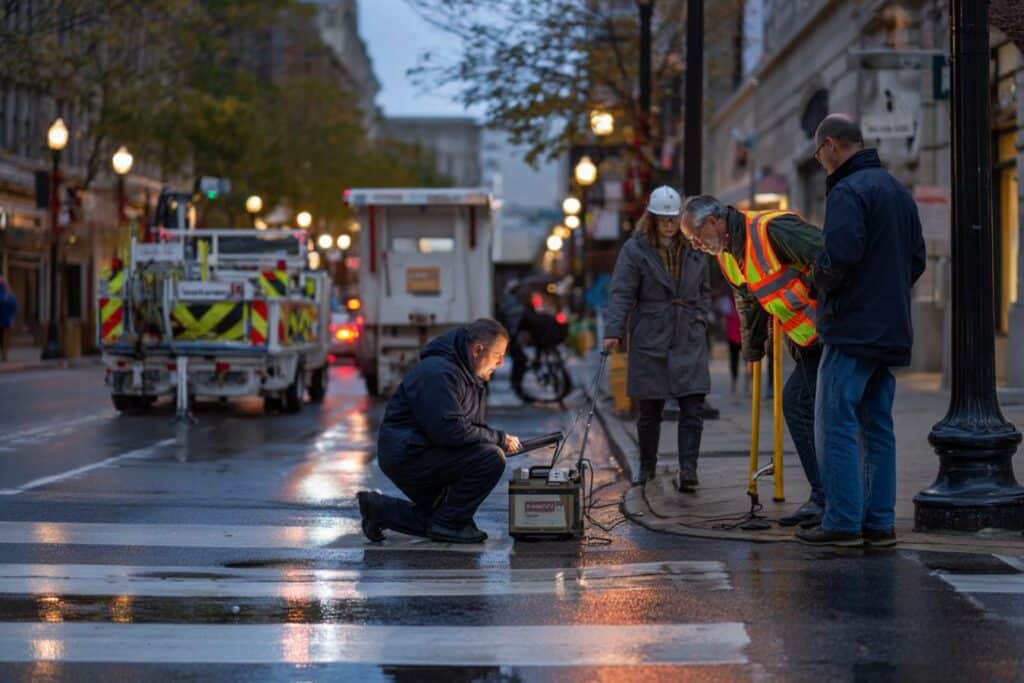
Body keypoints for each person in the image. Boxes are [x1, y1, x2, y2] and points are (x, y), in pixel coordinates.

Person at [796, 114, 926, 547]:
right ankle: (879, 522)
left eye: (818, 155)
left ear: (831, 145)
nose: (820, 164)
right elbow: (918, 259)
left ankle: (844, 521)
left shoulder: (849, 189)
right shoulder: (896, 190)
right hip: (889, 327)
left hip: (851, 327)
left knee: (833, 423)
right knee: (877, 426)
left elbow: (841, 254)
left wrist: (818, 281)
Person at [681, 194, 826, 527]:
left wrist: (809, 290)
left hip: (831, 332)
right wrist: (753, 350)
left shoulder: (771, 229)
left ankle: (828, 499)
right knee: (804, 409)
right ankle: (825, 497)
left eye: (696, 238)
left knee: (804, 408)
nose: (697, 247)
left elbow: (828, 255)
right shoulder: (728, 256)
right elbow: (747, 301)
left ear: (713, 222)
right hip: (806, 340)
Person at [357, 318, 522, 544]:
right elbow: (452, 432)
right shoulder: (439, 373)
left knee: (446, 513)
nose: (501, 363)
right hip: (409, 455)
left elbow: (468, 428)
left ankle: (381, 510)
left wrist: (493, 440)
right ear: (477, 350)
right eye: (498, 356)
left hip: (422, 450)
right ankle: (447, 525)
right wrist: (499, 440)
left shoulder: (466, 374)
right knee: (490, 459)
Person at [603, 186, 711, 490]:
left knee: (693, 403)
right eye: (662, 218)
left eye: (673, 218)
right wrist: (613, 331)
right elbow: (622, 292)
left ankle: (688, 469)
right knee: (650, 409)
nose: (669, 224)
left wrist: (702, 318)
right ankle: (647, 466)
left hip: (688, 332)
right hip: (650, 334)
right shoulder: (635, 250)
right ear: (650, 218)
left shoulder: (694, 246)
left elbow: (704, 289)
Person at [0, 276, 16, 363]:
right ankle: (4, 354)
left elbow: (14, 306)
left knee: (5, 338)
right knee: (5, 339)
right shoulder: (8, 295)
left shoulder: (8, 295)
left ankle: (4, 354)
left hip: (6, 321)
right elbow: (14, 306)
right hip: (6, 320)